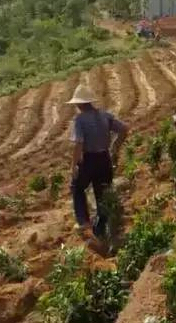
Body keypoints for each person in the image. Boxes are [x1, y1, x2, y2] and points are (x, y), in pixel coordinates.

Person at [68, 85, 128, 240]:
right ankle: (100, 231)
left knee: (77, 187)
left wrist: (74, 165)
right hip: (104, 158)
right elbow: (124, 129)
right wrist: (115, 147)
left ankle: (84, 222)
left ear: (79, 104)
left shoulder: (79, 120)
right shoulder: (105, 115)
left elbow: (78, 144)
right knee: (102, 193)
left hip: (89, 160)